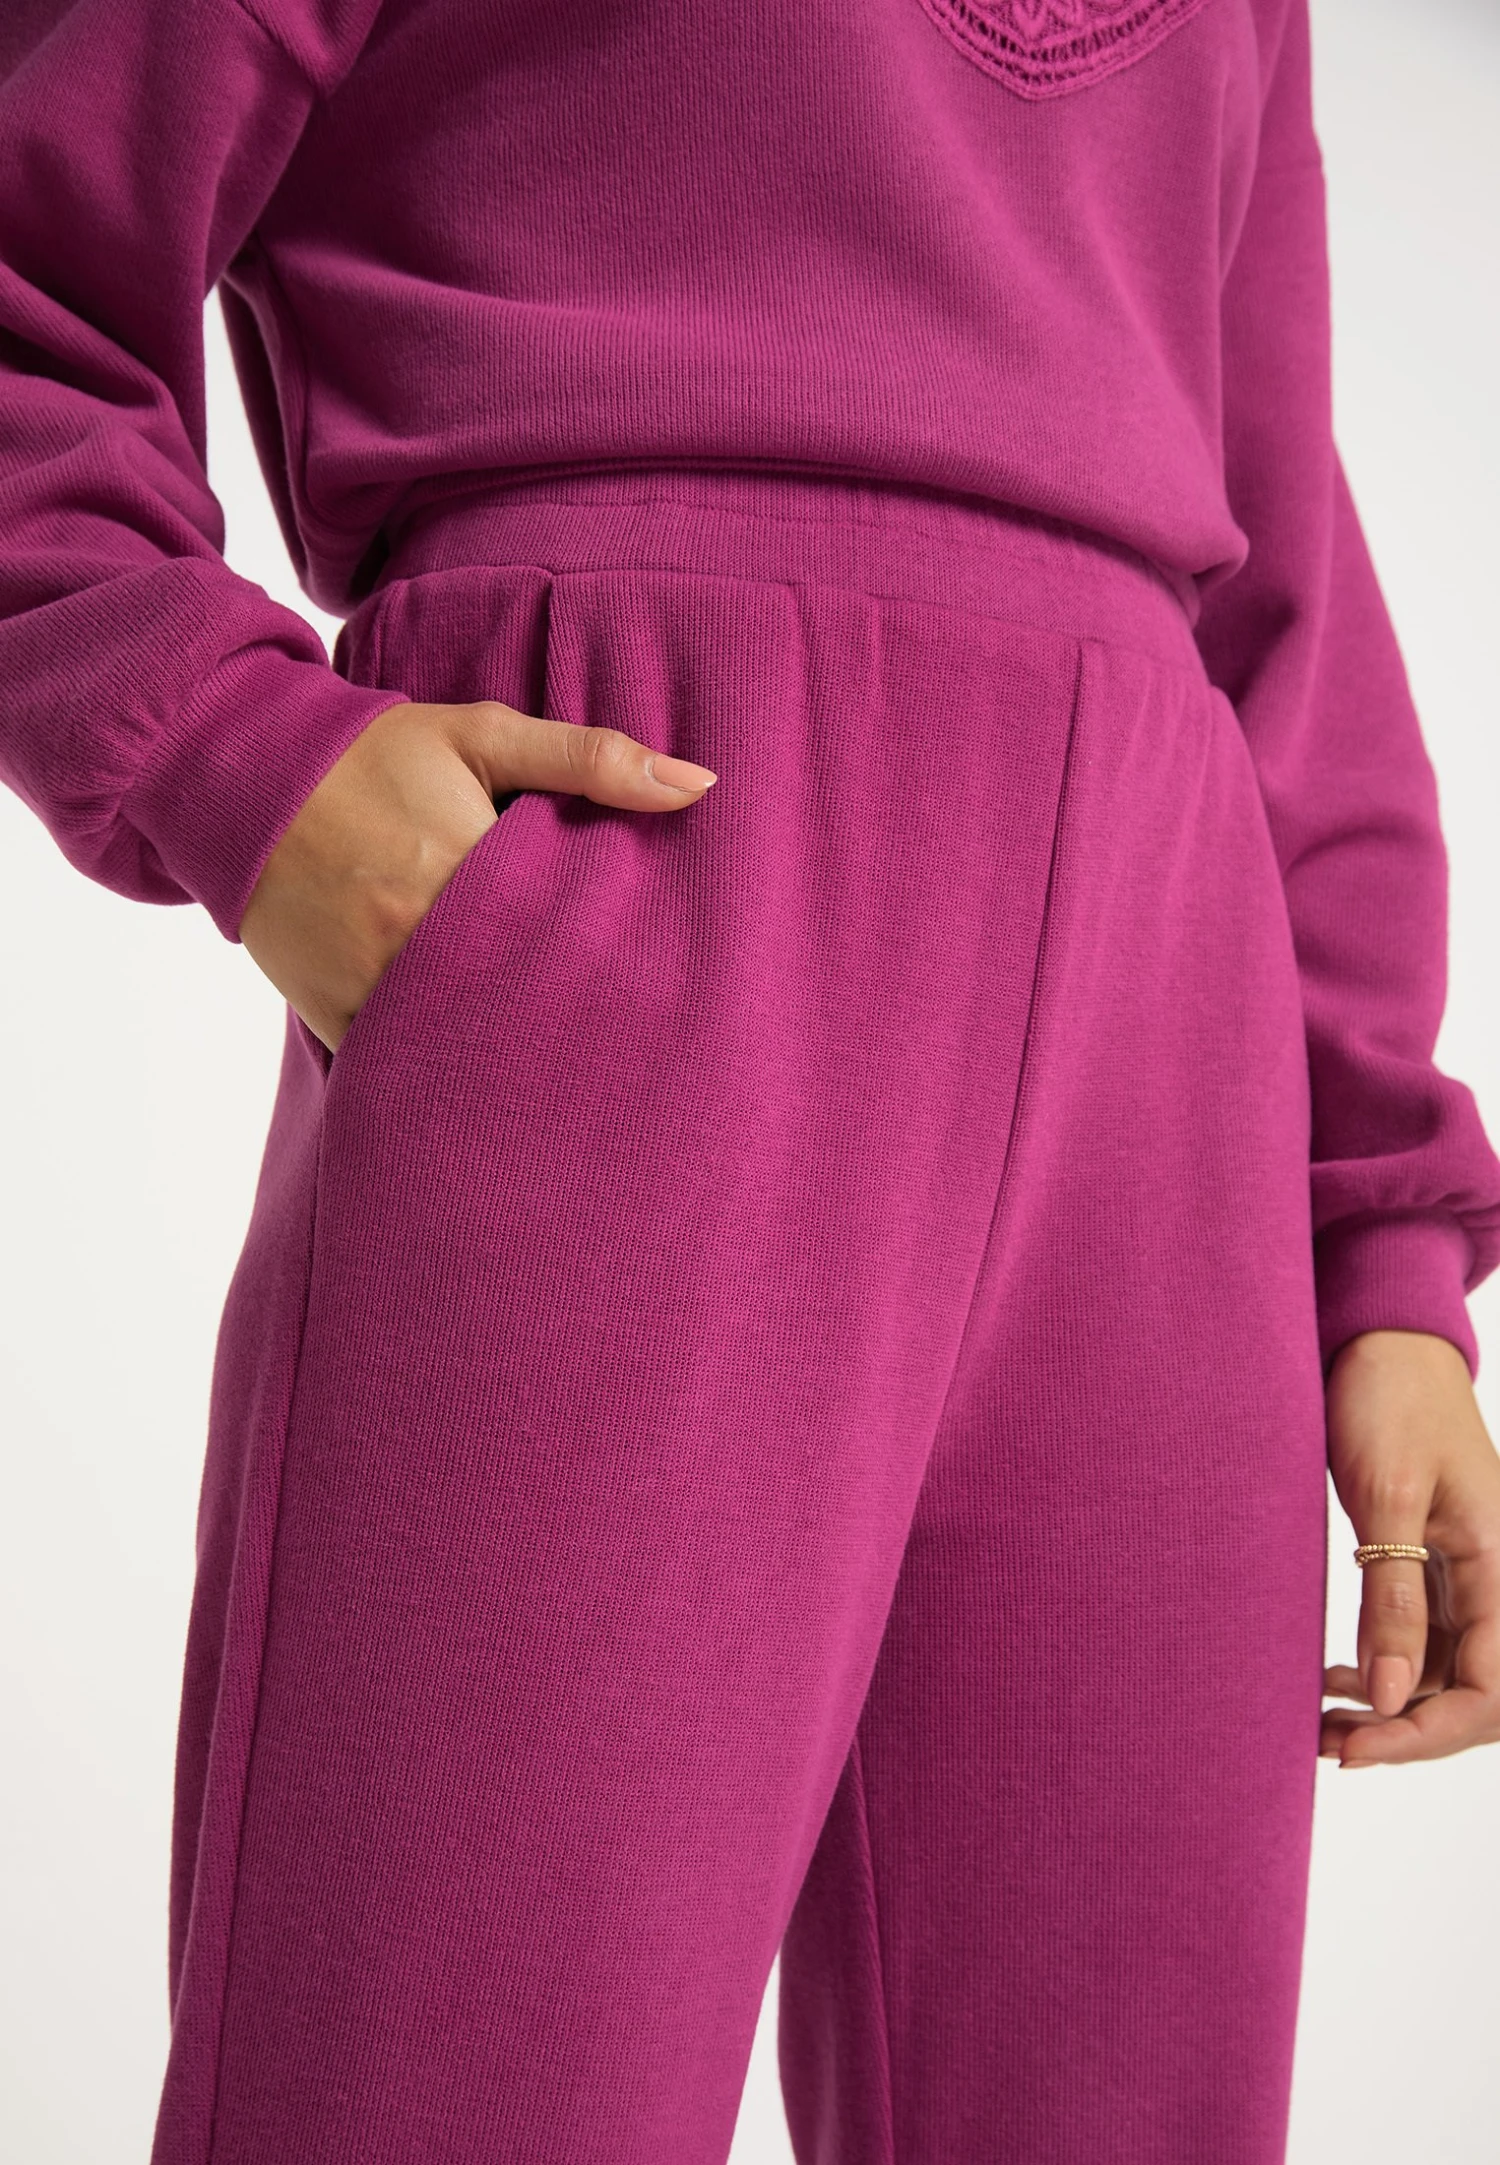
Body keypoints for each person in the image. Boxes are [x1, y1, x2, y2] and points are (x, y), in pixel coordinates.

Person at [2, 1, 1498, 2159]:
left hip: (1172, 1042)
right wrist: (220, 744)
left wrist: (1382, 1257)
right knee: (450, 2091)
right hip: (640, 884)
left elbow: (1285, 568)